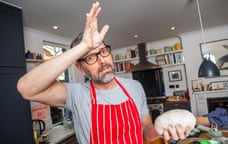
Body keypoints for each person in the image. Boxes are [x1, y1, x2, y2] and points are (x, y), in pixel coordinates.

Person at [17, 1, 190, 143]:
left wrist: (163, 130)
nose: (102, 60)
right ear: (79, 67)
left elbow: (145, 129)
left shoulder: (135, 87)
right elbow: (27, 88)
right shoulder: (76, 94)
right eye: (91, 57)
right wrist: (84, 46)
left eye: (103, 51)